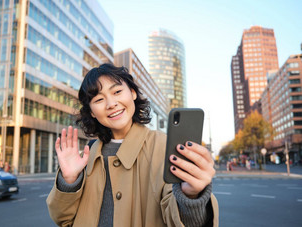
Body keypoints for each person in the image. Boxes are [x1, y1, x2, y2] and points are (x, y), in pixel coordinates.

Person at [46, 64, 218, 226]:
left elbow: (176, 217)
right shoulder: (87, 154)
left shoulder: (163, 147)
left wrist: (190, 196)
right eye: (98, 99)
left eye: (117, 91)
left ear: (133, 93)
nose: (111, 104)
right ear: (91, 111)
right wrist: (69, 181)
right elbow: (63, 219)